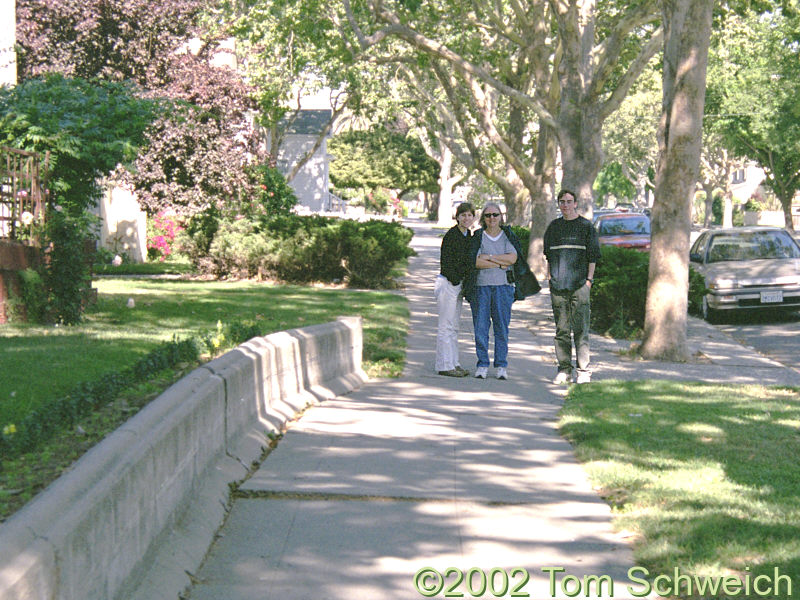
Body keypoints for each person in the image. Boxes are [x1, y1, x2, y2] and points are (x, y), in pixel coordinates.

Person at [543, 189, 601, 384]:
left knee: (581, 330)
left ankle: (583, 371)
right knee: (561, 331)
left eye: (569, 201)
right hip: (558, 287)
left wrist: (588, 281)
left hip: (580, 286)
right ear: (558, 204)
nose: (565, 205)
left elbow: (593, 257)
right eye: (562, 202)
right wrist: (550, 277)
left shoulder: (586, 227)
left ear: (575, 203)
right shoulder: (554, 228)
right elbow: (548, 256)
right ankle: (564, 370)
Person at [463, 203, 522, 380]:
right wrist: (500, 263)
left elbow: (512, 258)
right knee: (480, 327)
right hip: (481, 287)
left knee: (501, 328)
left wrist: (489, 257)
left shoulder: (508, 236)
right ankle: (482, 364)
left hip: (503, 288)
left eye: (495, 215)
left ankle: (501, 365)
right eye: (488, 215)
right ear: (483, 218)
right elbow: (476, 262)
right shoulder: (478, 237)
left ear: (500, 216)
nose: (492, 218)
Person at [434, 202, 475, 377]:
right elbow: (447, 263)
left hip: (458, 285)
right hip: (448, 284)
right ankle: (444, 365)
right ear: (457, 217)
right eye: (463, 215)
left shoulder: (468, 235)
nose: (466, 218)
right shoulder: (452, 236)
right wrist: (456, 279)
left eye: (469, 215)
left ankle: (454, 362)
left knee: (454, 326)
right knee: (446, 326)